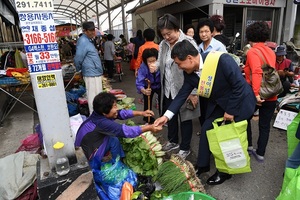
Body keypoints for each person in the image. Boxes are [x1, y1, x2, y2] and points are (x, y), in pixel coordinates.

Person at [154, 40, 256, 185]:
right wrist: (166, 116)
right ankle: (202, 166)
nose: (179, 67)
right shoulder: (190, 74)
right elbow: (182, 94)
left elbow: (239, 86)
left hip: (239, 102)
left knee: (227, 138)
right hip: (220, 104)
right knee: (207, 128)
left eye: (178, 63)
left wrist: (230, 111)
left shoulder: (221, 59)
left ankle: (224, 172)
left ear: (189, 58)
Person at [155, 13, 200, 159]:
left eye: (169, 33)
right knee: (170, 116)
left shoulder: (188, 42)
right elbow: (160, 62)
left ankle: (185, 148)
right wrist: (154, 66)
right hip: (168, 87)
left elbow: (197, 67)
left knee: (186, 118)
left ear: (176, 28)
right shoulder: (163, 45)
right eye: (164, 35)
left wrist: (193, 92)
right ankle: (173, 141)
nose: (167, 37)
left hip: (185, 87)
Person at [75, 92, 162, 164]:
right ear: (104, 113)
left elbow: (121, 113)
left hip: (90, 144)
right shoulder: (101, 122)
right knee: (113, 139)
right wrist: (149, 127)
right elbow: (125, 131)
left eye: (116, 105)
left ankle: (116, 160)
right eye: (114, 107)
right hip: (86, 154)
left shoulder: (100, 113)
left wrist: (142, 113)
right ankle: (115, 165)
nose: (117, 109)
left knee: (113, 138)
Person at [244, 21, 277, 162]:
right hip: (272, 93)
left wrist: (256, 94)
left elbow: (257, 72)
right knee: (264, 125)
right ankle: (261, 153)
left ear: (250, 36)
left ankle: (249, 146)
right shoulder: (270, 51)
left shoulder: (252, 51)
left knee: (245, 119)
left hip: (256, 94)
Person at [74, 21, 103, 115]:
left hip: (94, 72)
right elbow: (78, 57)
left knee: (97, 96)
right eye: (90, 30)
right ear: (84, 31)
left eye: (93, 30)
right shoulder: (83, 40)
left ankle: (98, 115)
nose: (93, 32)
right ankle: (93, 116)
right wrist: (78, 69)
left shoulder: (88, 40)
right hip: (91, 73)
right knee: (93, 96)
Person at [136, 48, 161, 124]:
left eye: (154, 61)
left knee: (163, 101)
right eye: (149, 62)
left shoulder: (160, 65)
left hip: (160, 85)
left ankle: (163, 117)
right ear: (145, 61)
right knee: (147, 101)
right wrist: (143, 90)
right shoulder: (143, 67)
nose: (152, 63)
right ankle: (147, 118)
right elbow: (139, 82)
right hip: (148, 86)